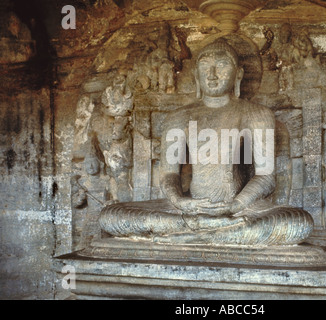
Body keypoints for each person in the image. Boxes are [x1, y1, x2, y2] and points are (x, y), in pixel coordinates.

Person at [99, 39, 314, 245]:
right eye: (205, 66)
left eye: (221, 65)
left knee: (299, 223)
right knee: (111, 216)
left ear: (238, 74)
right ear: (196, 75)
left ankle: (196, 234)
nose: (212, 74)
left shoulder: (256, 113)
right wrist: (179, 201)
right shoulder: (178, 117)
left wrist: (235, 205)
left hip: (238, 209)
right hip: (187, 210)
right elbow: (169, 174)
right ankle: (219, 233)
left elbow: (266, 176)